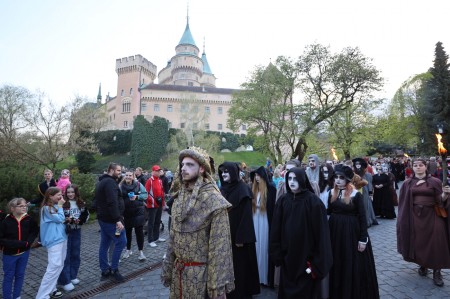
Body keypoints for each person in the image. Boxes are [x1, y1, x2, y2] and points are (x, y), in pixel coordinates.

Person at [161, 147, 235, 298]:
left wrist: (217, 287)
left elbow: (220, 249)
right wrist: (168, 268)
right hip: (179, 276)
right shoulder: (179, 198)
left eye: (190, 165)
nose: (183, 169)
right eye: (182, 164)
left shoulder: (214, 201)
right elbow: (172, 239)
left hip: (201, 278)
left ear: (202, 169)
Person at [270, 167, 333, 299]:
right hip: (288, 258)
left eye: (295, 179)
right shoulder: (283, 201)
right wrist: (277, 253)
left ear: (302, 180)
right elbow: (275, 230)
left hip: (306, 258)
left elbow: (321, 235)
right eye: (290, 179)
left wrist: (317, 263)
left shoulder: (314, 203)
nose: (292, 182)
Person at [327, 165, 379, 299]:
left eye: (341, 178)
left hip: (351, 232)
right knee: (337, 261)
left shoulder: (356, 194)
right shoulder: (331, 192)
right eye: (336, 177)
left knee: (351, 262)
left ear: (348, 180)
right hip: (335, 232)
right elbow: (328, 212)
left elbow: (362, 217)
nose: (338, 180)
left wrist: (363, 239)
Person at [397, 158, 450, 287]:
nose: (418, 167)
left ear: (426, 167)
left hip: (433, 215)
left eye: (421, 165)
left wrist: (445, 195)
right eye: (415, 165)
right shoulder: (407, 183)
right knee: (419, 242)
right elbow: (403, 203)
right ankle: (423, 264)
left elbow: (440, 199)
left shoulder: (435, 181)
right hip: (414, 217)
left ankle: (437, 272)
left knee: (437, 242)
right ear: (412, 167)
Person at [219, 162, 260, 299]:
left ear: (233, 172)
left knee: (240, 268)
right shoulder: (223, 189)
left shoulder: (243, 189)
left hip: (239, 239)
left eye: (226, 171)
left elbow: (246, 217)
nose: (224, 174)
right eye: (222, 172)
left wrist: (241, 238)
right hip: (225, 236)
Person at [0, 197, 39, 299]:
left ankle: (17, 296)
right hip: (9, 255)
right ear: (12, 208)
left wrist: (28, 243)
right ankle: (7, 297)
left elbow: (34, 231)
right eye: (21, 206)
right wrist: (19, 244)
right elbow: (1, 239)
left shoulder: (29, 219)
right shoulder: (5, 221)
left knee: (20, 275)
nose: (24, 207)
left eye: (25, 205)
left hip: (24, 253)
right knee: (9, 276)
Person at [95, 162, 126, 283]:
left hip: (104, 219)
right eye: (118, 171)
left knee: (105, 243)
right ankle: (114, 269)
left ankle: (105, 270)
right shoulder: (109, 182)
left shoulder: (102, 181)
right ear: (111, 170)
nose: (120, 173)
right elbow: (112, 202)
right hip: (111, 221)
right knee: (121, 241)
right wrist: (117, 220)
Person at [36, 187, 67, 299]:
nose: (61, 197)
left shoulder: (54, 206)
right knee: (54, 266)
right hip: (54, 241)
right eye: (58, 195)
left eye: (61, 194)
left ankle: (52, 289)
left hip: (61, 238)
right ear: (50, 195)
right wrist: (60, 206)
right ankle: (41, 295)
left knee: (60, 265)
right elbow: (60, 219)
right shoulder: (46, 208)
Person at [58, 184, 90, 292]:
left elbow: (86, 216)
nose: (70, 194)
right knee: (65, 256)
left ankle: (73, 275)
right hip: (65, 232)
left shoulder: (81, 203)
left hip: (77, 230)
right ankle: (64, 281)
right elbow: (59, 217)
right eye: (68, 192)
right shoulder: (62, 204)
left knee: (75, 253)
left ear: (76, 192)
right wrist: (68, 220)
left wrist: (80, 221)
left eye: (72, 192)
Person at [250, 166, 276, 287]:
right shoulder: (253, 190)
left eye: (258, 176)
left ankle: (264, 277)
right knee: (256, 247)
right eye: (255, 176)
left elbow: (272, 209)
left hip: (265, 220)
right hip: (255, 220)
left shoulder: (270, 189)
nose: (257, 178)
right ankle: (255, 276)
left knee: (264, 246)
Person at [119, 171, 148, 261]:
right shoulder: (120, 186)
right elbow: (117, 198)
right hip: (126, 212)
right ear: (124, 177)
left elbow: (145, 195)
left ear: (133, 176)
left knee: (139, 233)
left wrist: (137, 196)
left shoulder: (138, 184)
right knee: (127, 233)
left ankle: (141, 252)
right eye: (126, 175)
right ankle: (128, 250)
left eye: (130, 175)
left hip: (138, 212)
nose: (128, 177)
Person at [352, 158, 378, 227]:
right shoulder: (353, 174)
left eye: (359, 164)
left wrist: (370, 193)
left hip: (365, 193)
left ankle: (366, 221)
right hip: (355, 192)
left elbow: (369, 184)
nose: (357, 165)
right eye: (356, 164)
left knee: (365, 206)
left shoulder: (367, 175)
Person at [145, 165, 166, 247]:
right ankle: (150, 240)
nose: (158, 172)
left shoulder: (160, 181)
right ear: (153, 172)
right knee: (151, 223)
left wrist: (163, 203)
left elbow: (162, 192)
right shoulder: (149, 181)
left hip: (159, 204)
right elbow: (146, 193)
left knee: (157, 221)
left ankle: (156, 237)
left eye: (159, 170)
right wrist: (153, 201)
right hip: (152, 206)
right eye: (157, 171)